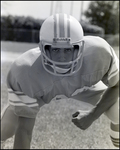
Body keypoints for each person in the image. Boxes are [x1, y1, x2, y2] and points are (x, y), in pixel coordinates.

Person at [1, 13, 119, 149]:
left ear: (81, 47)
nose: (62, 58)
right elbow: (25, 131)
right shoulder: (25, 71)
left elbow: (117, 85)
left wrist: (93, 114)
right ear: (42, 48)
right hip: (42, 89)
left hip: (85, 85)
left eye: (68, 49)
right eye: (55, 49)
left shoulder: (99, 52)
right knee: (7, 129)